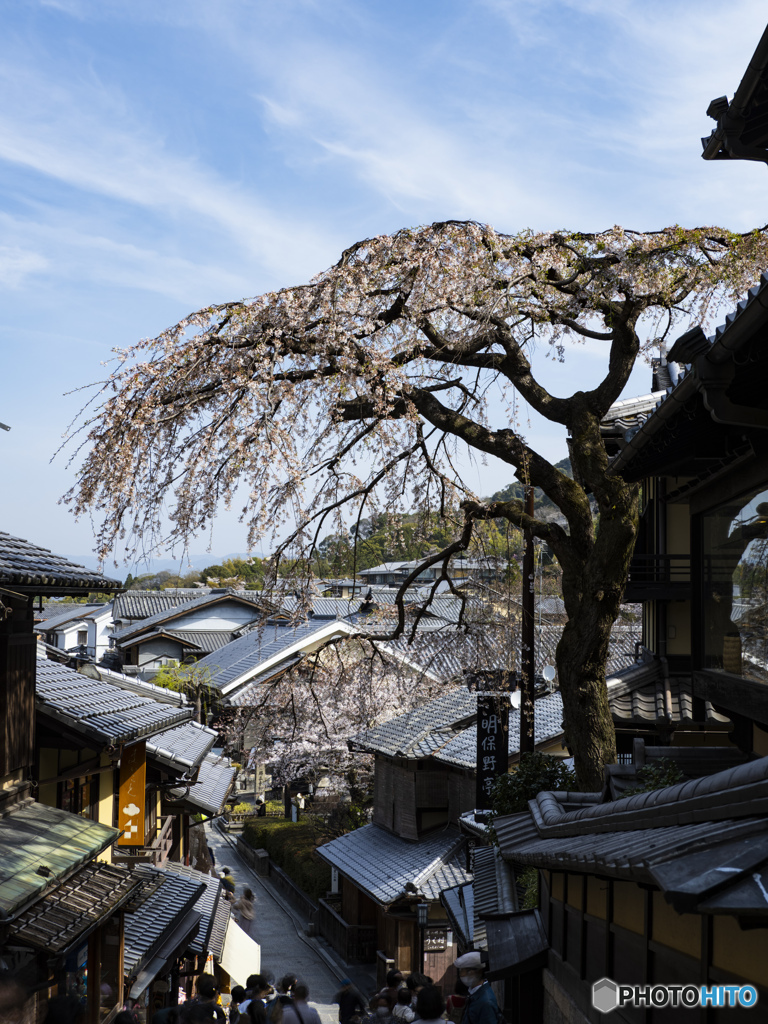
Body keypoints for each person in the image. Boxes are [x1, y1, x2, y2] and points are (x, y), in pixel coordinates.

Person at [453, 953, 500, 1024]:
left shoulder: (486, 1002)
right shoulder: (476, 994)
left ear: (472, 972)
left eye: (462, 971)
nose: (460, 975)